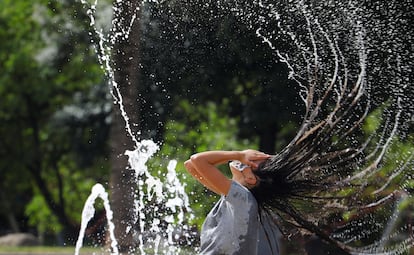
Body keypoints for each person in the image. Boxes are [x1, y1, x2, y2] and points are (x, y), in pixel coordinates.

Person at [184, 149, 281, 255]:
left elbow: (198, 160)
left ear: (251, 178)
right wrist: (239, 156)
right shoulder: (236, 200)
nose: (247, 158)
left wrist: (239, 155)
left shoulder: (244, 199)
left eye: (251, 161)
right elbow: (191, 165)